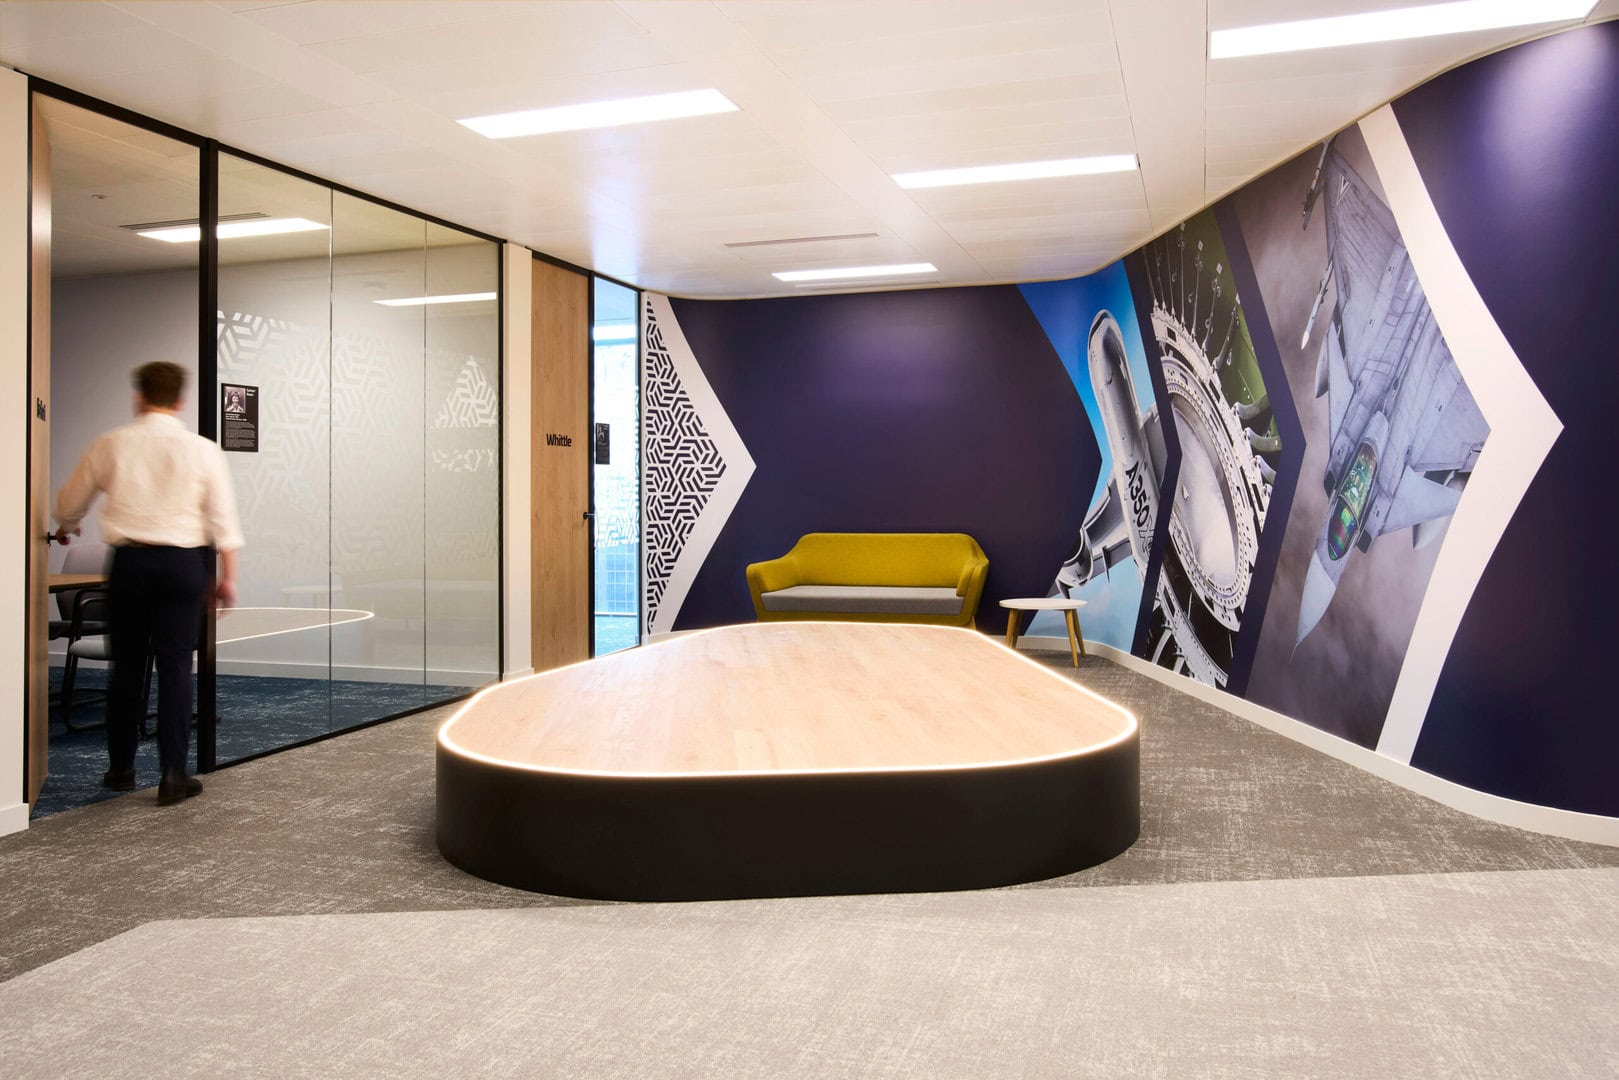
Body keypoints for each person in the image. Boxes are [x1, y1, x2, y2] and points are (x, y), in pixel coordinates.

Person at [54, 361, 243, 806]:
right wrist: (229, 577)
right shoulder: (202, 450)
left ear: (138, 396)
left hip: (131, 564)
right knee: (175, 666)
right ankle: (173, 774)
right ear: (180, 399)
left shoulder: (111, 443)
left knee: (127, 666)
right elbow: (223, 518)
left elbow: (70, 502)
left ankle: (121, 769)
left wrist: (66, 525)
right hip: (183, 565)